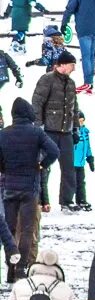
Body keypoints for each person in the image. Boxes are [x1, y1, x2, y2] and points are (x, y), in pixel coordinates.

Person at [1, 98, 56, 282]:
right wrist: (41, 165)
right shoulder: (36, 133)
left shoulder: (3, 134)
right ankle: (21, 269)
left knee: (9, 229)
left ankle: (10, 267)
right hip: (29, 188)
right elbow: (54, 151)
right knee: (26, 230)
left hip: (9, 186)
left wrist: (5, 169)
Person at [32, 51, 79, 213]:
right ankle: (39, 199)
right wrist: (38, 126)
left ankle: (66, 201)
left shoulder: (71, 83)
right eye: (72, 65)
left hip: (65, 132)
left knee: (68, 168)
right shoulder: (47, 79)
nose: (73, 68)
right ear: (63, 65)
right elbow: (37, 103)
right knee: (43, 167)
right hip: (49, 131)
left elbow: (74, 107)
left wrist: (75, 128)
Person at [72, 111, 94, 212]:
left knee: (81, 182)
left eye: (82, 121)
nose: (81, 123)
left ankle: (81, 200)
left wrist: (90, 158)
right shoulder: (73, 132)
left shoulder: (85, 132)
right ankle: (68, 201)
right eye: (79, 122)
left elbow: (88, 146)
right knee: (72, 182)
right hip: (72, 163)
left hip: (81, 163)